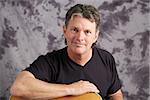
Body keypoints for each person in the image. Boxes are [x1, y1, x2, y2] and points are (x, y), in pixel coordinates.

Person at [10, 4, 123, 100]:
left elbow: (115, 94)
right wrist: (72, 89)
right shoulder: (51, 62)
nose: (80, 37)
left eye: (87, 32)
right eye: (75, 30)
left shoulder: (106, 59)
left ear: (95, 36)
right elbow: (19, 87)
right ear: (65, 31)